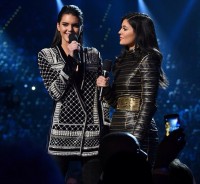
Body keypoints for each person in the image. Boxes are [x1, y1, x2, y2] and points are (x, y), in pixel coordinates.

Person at [38, 5, 109, 182]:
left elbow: (102, 98)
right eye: (65, 24)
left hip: (91, 134)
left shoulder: (93, 54)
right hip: (61, 134)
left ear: (81, 27)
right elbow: (55, 92)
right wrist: (69, 60)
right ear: (58, 26)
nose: (70, 29)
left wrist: (105, 87)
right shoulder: (46, 55)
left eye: (75, 25)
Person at [96, 12, 169, 167]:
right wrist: (105, 88)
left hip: (138, 132)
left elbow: (148, 104)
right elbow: (116, 102)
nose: (119, 32)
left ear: (139, 31)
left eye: (124, 28)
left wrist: (135, 139)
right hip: (117, 128)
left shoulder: (149, 58)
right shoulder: (121, 61)